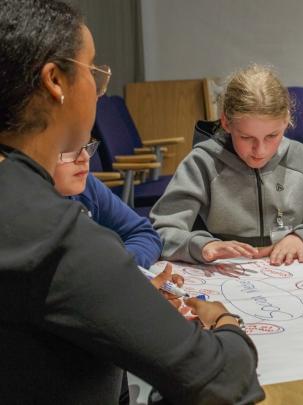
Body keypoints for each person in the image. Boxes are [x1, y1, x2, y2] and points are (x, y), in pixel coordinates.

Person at [0, 1, 264, 403]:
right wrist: (224, 321)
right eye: (92, 71)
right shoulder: (51, 231)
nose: (100, 87)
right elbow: (220, 380)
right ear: (55, 80)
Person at [151, 64, 303, 266]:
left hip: (293, 273)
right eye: (247, 137)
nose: (260, 150)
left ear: (286, 120)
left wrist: (302, 237)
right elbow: (161, 231)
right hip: (228, 274)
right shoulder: (203, 162)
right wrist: (204, 246)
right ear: (226, 123)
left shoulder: (301, 158)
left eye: (272, 136)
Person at [53, 138, 162, 268]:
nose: (85, 157)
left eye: (86, 144)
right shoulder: (27, 212)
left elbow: (143, 233)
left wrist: (120, 267)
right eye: (68, 148)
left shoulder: (88, 186)